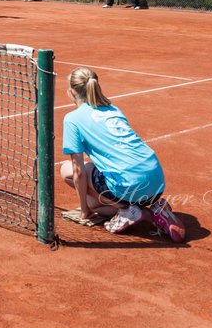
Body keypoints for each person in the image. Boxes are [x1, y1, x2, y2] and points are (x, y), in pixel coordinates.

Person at [59, 67, 185, 241]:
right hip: (156, 181)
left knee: (67, 171)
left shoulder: (72, 119)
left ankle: (139, 213)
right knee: (95, 203)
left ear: (71, 92)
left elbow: (78, 171)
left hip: (128, 185)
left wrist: (84, 211)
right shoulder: (113, 109)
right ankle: (154, 207)